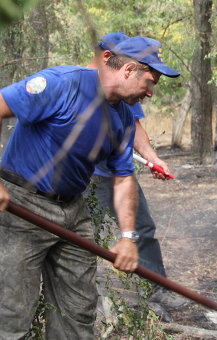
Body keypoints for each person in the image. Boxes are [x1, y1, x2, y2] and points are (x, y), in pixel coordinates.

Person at [0, 36, 179, 339]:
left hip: (73, 210)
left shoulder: (122, 118)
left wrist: (127, 237)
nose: (150, 92)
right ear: (129, 69)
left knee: (79, 310)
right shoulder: (61, 84)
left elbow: (123, 178)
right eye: (150, 81)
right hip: (22, 205)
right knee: (11, 311)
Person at [84, 33, 186, 319]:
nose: (150, 90)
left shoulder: (126, 91)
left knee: (141, 228)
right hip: (79, 180)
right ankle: (86, 306)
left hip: (114, 173)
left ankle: (155, 290)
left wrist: (152, 158)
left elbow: (134, 126)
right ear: (108, 57)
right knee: (78, 239)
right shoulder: (73, 85)